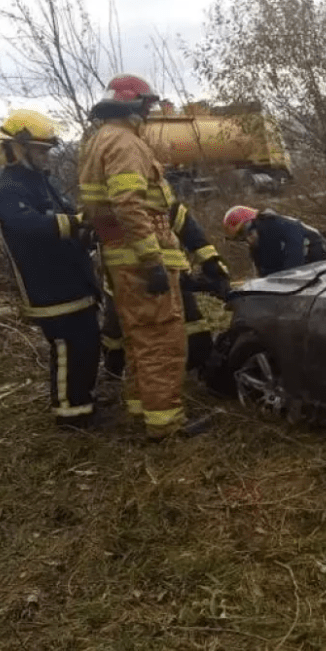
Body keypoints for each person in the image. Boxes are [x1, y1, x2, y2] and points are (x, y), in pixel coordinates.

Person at [78, 73, 208, 441]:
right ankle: (165, 426)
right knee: (162, 341)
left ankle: (142, 410)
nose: (150, 112)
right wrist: (152, 260)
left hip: (121, 258)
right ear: (132, 104)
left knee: (139, 338)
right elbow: (129, 205)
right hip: (140, 260)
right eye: (148, 105)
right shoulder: (125, 144)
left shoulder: (98, 141)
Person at [0, 109, 103, 431]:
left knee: (87, 342)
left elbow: (67, 213)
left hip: (73, 280)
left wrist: (87, 226)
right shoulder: (9, 188)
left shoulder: (41, 181)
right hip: (49, 287)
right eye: (40, 150)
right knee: (67, 346)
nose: (45, 155)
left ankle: (84, 400)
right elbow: (26, 225)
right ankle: (69, 414)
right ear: (19, 147)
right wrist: (73, 224)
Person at [101, 191, 232, 379]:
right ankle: (113, 369)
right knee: (117, 331)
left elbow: (194, 237)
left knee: (192, 323)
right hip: (128, 280)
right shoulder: (114, 206)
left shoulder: (165, 202)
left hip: (171, 276)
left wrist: (214, 265)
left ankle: (201, 367)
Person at [223, 205, 326, 277]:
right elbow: (266, 276)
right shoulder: (259, 248)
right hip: (308, 274)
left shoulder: (282, 227)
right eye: (243, 238)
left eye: (248, 233)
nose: (248, 240)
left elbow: (294, 269)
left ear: (255, 224)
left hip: (325, 263)